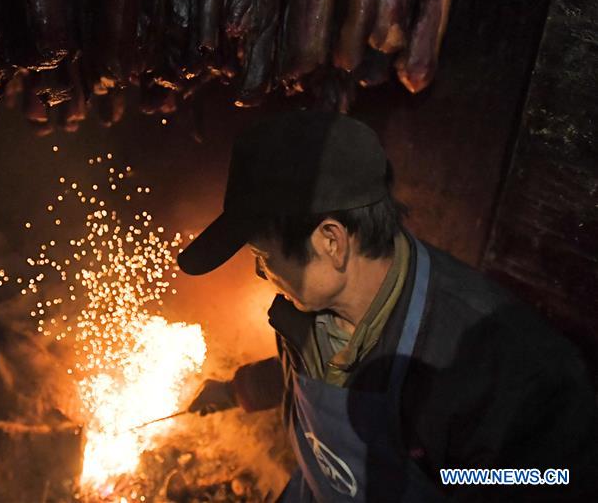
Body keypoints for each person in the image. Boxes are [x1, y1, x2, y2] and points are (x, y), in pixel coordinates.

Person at [177, 111, 597, 502]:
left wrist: (454, 476)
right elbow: (319, 366)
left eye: (263, 256)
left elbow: (551, 476)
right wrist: (240, 390)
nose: (260, 272)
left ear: (331, 242)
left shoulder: (500, 366)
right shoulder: (307, 308)